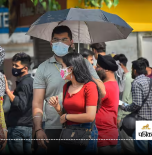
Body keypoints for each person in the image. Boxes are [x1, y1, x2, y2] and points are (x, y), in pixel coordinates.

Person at [33, 25, 106, 154]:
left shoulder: (85, 64)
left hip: (80, 129)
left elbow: (102, 91)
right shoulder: (43, 68)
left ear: (71, 42)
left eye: (64, 39)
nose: (60, 43)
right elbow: (37, 102)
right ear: (51, 43)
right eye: (56, 40)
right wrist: (38, 129)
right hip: (53, 127)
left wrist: (81, 67)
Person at [48, 52, 100, 154]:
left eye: (62, 67)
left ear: (70, 69)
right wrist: (57, 107)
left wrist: (67, 117)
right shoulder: (66, 87)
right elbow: (64, 115)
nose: (60, 70)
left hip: (85, 132)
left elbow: (90, 116)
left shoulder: (89, 86)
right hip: (68, 131)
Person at [121, 59, 152, 154]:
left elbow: (137, 104)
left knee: (142, 150)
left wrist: (125, 107)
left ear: (135, 70)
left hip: (142, 122)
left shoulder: (137, 82)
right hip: (151, 120)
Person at [4, 52, 34, 154]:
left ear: (25, 68)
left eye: (16, 66)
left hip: (17, 128)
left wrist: (8, 91)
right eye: (13, 65)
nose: (14, 68)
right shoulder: (31, 81)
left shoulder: (24, 84)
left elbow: (21, 105)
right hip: (28, 128)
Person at [95, 54, 119, 154]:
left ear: (106, 69)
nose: (95, 69)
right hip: (107, 135)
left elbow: (91, 104)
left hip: (104, 136)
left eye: (98, 67)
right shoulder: (113, 83)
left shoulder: (106, 87)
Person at [113, 54, 136, 154]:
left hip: (126, 117)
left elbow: (124, 99)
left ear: (120, 65)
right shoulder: (132, 76)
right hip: (135, 115)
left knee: (129, 148)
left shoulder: (126, 78)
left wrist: (119, 117)